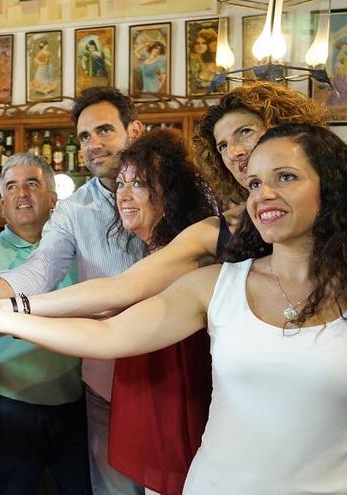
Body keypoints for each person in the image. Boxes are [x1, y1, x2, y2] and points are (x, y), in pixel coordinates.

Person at [0, 122, 347, 495]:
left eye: (286, 177)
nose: (264, 194)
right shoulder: (217, 284)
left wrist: (6, 309)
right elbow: (111, 323)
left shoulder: (205, 252)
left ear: (329, 185)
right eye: (253, 184)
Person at [14, 82, 328, 323]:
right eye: (222, 145)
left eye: (245, 132)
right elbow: (122, 290)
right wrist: (11, 307)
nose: (234, 152)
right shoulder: (219, 227)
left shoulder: (213, 205)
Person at [0, 86, 146, 495]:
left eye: (104, 130)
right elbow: (38, 271)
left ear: (135, 131)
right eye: (85, 136)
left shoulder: (180, 192)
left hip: (169, 375)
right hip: (104, 382)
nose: (93, 144)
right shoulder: (73, 211)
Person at [0, 153, 91, 495]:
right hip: (11, 408)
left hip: (76, 404)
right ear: (2, 201)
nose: (22, 194)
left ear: (53, 198)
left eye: (32, 184)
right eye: (12, 186)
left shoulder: (81, 253)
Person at [105, 128, 216, 495]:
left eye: (139, 183)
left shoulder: (183, 253)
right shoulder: (154, 248)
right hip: (151, 392)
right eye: (121, 183)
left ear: (170, 192)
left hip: (174, 396)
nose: (125, 194)